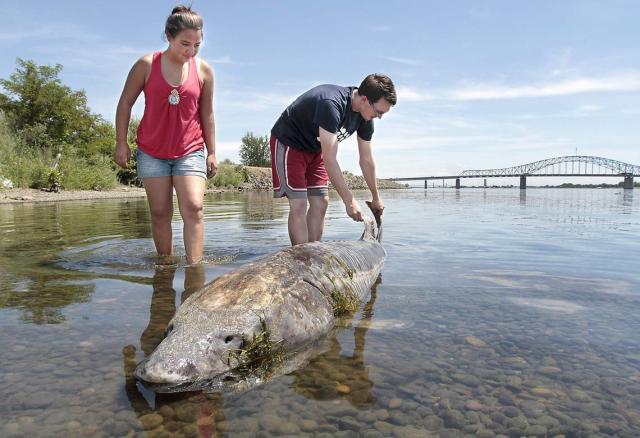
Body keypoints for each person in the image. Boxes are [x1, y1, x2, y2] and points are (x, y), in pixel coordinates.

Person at [114, 5, 217, 264]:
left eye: (196, 45)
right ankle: (165, 266)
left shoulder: (204, 71)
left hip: (190, 149)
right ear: (169, 36)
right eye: (185, 43)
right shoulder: (146, 65)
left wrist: (213, 151)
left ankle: (195, 269)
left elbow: (207, 114)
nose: (190, 51)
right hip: (152, 151)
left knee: (194, 207)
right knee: (160, 212)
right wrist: (120, 142)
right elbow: (125, 103)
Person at [270, 74, 396, 245]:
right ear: (365, 99)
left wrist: (375, 197)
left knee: (321, 202)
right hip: (290, 143)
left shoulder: (366, 117)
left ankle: (313, 254)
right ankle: (300, 260)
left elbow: (366, 159)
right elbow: (330, 159)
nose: (380, 117)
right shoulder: (331, 104)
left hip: (315, 149)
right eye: (379, 112)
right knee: (299, 205)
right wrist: (349, 201)